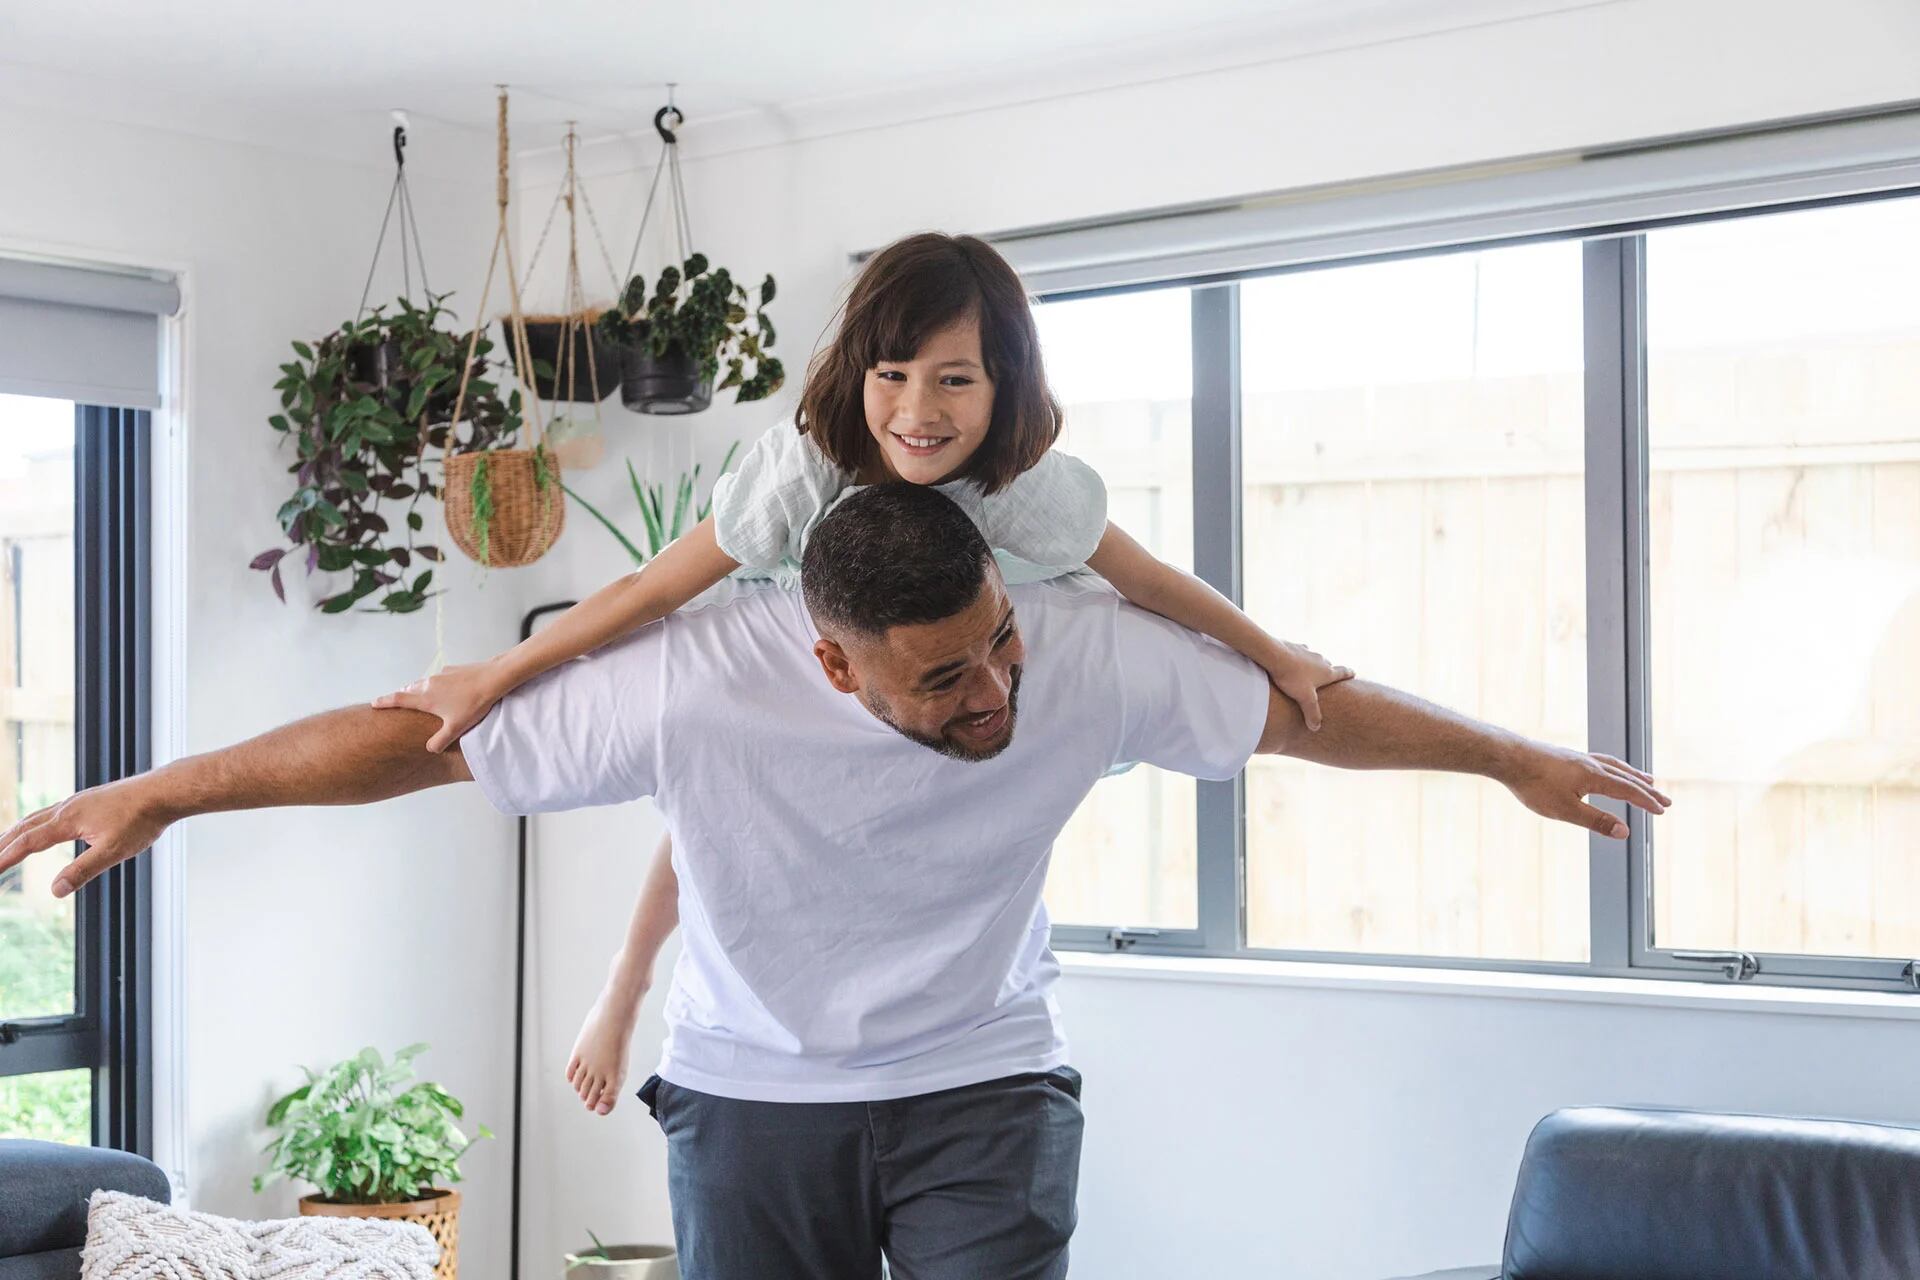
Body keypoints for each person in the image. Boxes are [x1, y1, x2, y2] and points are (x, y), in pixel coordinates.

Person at [2, 484, 1668, 1280]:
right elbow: (421, 745)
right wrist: (171, 790)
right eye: (941, 682)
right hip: (751, 1102)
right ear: (825, 655)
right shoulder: (696, 674)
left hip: (985, 1088)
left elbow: (1309, 713)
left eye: (996, 652)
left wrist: (1511, 755)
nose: (994, 699)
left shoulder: (1071, 646)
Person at [369, 232, 1355, 1115]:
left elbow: (1151, 582)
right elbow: (651, 585)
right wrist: (497, 672)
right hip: (798, 628)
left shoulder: (1025, 493)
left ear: (1006, 385)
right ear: (858, 372)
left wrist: (1274, 655)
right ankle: (625, 985)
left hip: (930, 647)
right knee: (711, 797)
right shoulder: (804, 471)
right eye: (893, 373)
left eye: (956, 380)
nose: (920, 412)